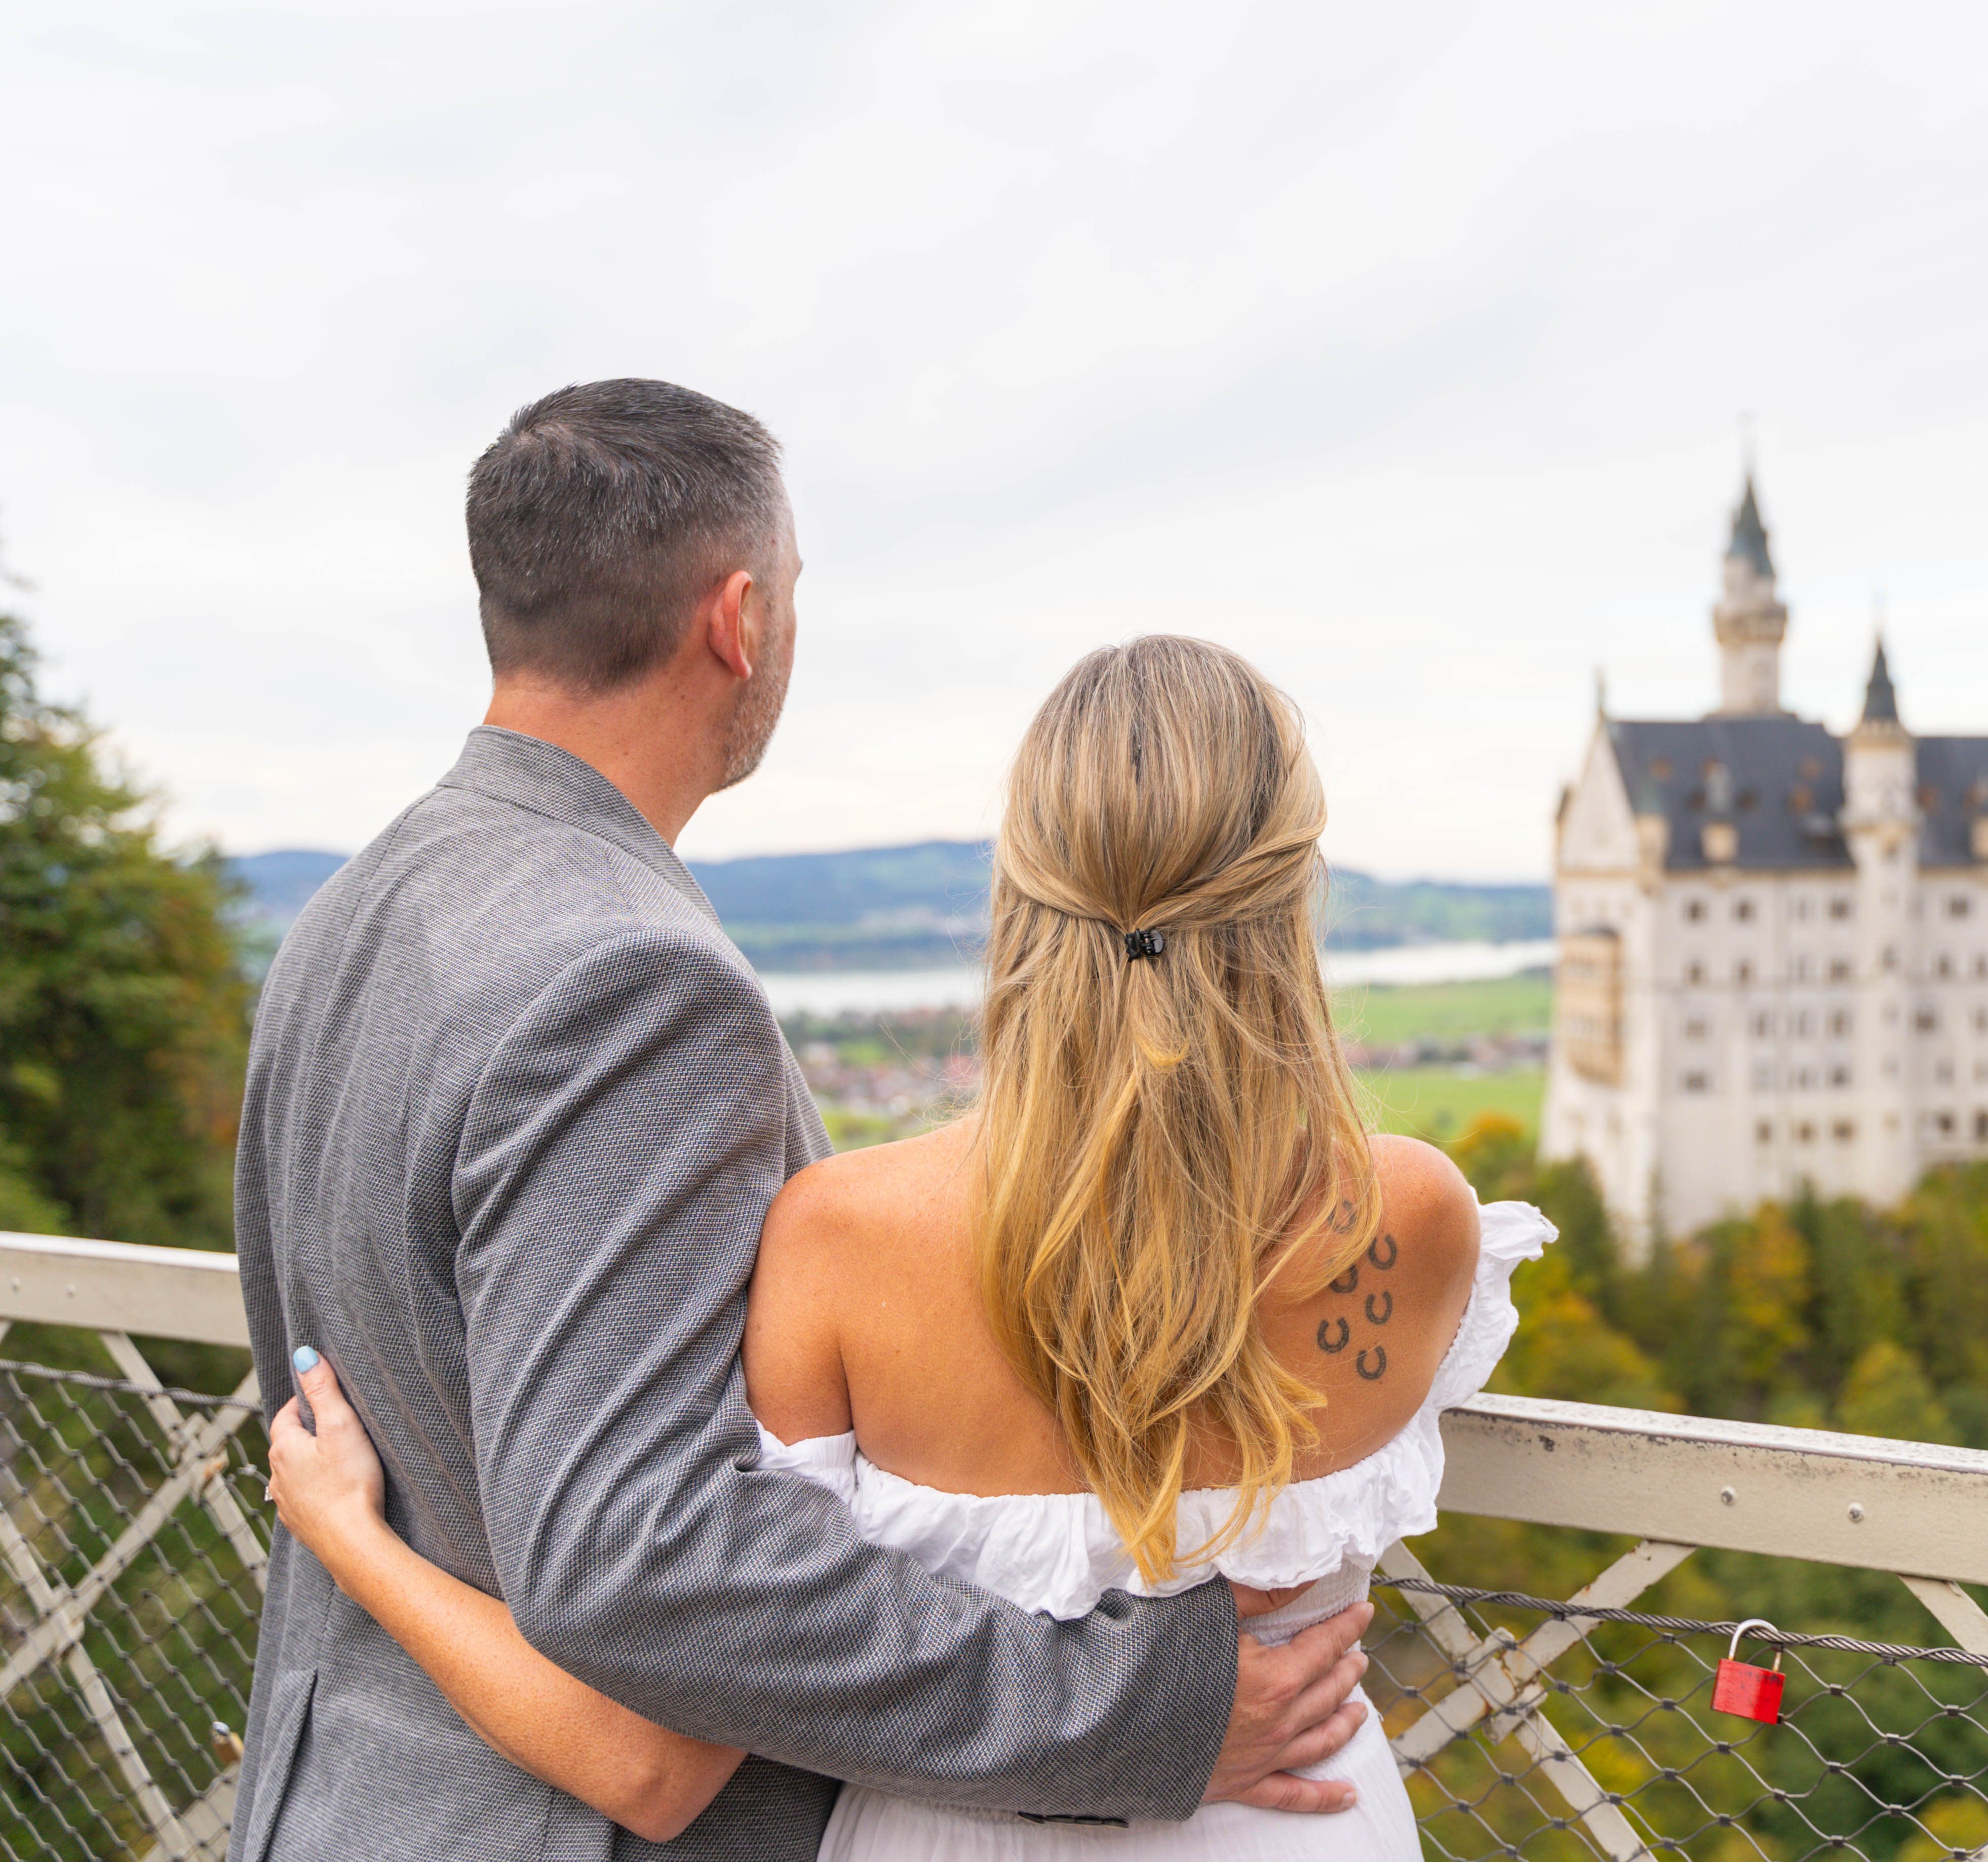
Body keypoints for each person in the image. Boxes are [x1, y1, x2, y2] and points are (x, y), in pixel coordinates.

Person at [230, 383, 1375, 1859]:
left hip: (338, 1799)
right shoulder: (633, 978)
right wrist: (1135, 1711)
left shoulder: (343, 915)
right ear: (741, 620)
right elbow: (643, 1560)